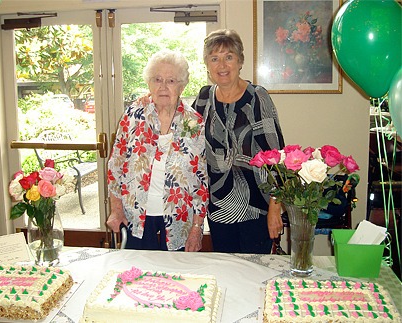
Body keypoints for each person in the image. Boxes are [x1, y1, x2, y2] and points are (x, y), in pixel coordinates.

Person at [106, 50, 208, 252]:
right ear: (149, 83)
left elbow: (201, 180)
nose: (163, 86)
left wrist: (197, 227)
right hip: (135, 216)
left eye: (171, 80)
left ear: (182, 85)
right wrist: (116, 210)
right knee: (138, 278)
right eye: (157, 79)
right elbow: (115, 164)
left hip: (179, 220)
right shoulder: (133, 114)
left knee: (175, 280)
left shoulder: (194, 121)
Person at [193, 29, 285, 253]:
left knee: (254, 272)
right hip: (219, 206)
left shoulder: (257, 97)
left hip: (257, 207)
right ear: (207, 64)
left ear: (240, 61)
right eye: (214, 58)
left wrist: (275, 207)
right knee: (226, 271)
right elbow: (188, 143)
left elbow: (276, 155)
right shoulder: (204, 98)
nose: (222, 65)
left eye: (229, 57)